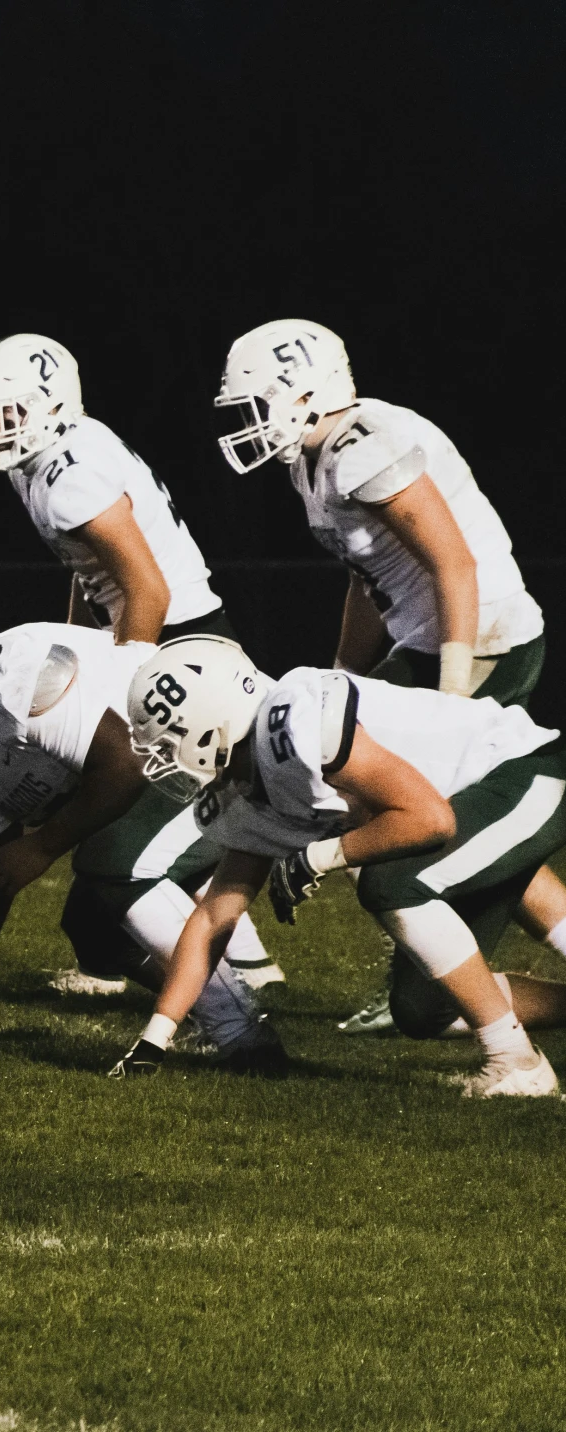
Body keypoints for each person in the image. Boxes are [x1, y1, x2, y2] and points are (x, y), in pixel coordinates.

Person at [215, 319, 551, 1029]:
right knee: (415, 806)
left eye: (257, 403)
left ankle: (444, 989)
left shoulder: (359, 445)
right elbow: (367, 580)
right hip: (427, 639)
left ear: (307, 391)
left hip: (477, 636)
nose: (248, 422)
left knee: (415, 820)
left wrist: (453, 692)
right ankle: (445, 977)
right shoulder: (311, 457)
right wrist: (343, 673)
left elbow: (452, 563)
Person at [0, 583, 287, 1062]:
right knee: (94, 930)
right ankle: (231, 1016)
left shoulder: (11, 672)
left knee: (113, 865)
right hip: (173, 762)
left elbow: (124, 764)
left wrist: (39, 849)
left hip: (230, 744)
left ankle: (240, 1034)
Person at [120, 636, 566, 1095]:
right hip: (478, 809)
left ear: (213, 719)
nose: (164, 758)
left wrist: (317, 856)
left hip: (520, 768)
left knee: (391, 885)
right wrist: (157, 1035)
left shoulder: (295, 723)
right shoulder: (245, 787)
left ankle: (516, 1062)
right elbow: (215, 916)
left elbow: (430, 821)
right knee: (424, 1009)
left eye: (169, 739)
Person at [0, 334, 228, 644]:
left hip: (179, 633)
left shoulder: (74, 476)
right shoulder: (37, 459)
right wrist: (76, 646)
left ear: (50, 405)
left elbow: (150, 593)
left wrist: (116, 674)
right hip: (146, 623)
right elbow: (89, 568)